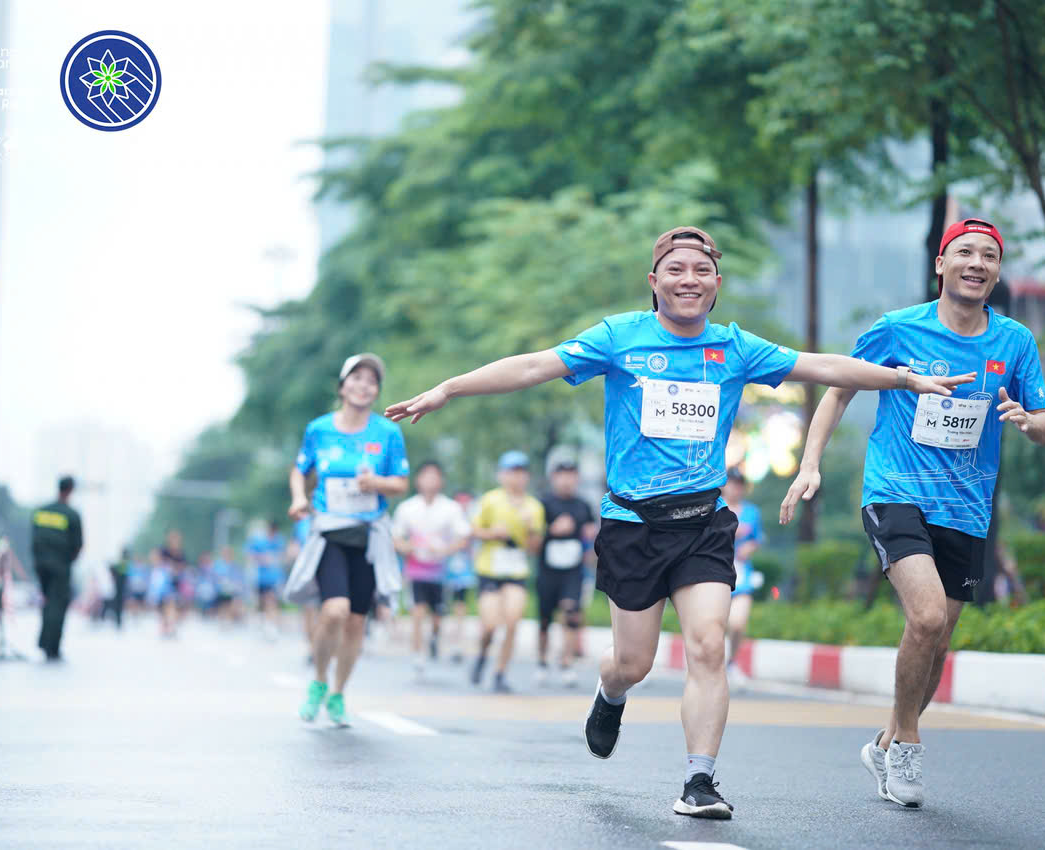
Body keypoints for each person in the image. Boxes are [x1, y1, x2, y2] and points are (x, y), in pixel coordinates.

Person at [386, 226, 972, 818]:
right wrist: (449, 389)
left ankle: (700, 780)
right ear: (654, 281)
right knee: (633, 662)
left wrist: (903, 378)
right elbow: (535, 365)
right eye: (676, 270)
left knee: (708, 644)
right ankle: (610, 689)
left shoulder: (735, 347)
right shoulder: (619, 337)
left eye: (700, 271)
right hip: (633, 525)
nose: (688, 280)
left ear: (716, 283)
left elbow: (820, 366)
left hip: (703, 524)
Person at [780, 218, 1045, 809]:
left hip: (967, 508)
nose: (977, 263)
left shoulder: (1015, 342)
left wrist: (1030, 423)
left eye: (989, 256)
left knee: (938, 641)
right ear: (940, 264)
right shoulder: (898, 328)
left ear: (997, 272)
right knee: (926, 618)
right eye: (965, 253)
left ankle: (883, 742)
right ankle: (907, 744)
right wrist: (810, 463)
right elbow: (839, 389)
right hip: (896, 492)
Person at [287, 353, 408, 727]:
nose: (363, 385)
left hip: (369, 535)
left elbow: (401, 483)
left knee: (356, 621)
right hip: (330, 532)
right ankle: (318, 680)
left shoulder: (388, 433)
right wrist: (298, 498)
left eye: (371, 381)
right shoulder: (319, 429)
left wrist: (377, 483)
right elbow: (299, 469)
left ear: (377, 391)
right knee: (334, 610)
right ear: (342, 386)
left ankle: (338, 693)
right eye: (356, 378)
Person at [469, 451, 544, 693]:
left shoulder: (534, 507)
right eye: (512, 472)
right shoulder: (490, 500)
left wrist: (530, 528)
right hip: (490, 570)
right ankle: (482, 653)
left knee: (512, 621)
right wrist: (493, 533)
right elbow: (473, 531)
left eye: (521, 472)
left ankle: (500, 672)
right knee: (490, 625)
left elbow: (535, 548)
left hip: (516, 572)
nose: (516, 477)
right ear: (501, 475)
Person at [392, 460, 471, 674]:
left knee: (437, 615)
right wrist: (407, 547)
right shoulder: (407, 508)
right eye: (426, 476)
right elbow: (396, 538)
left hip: (441, 571)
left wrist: (444, 550)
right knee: (417, 611)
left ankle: (435, 636)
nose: (430, 481)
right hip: (416, 569)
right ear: (418, 480)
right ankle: (418, 653)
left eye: (434, 476)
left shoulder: (451, 509)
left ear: (441, 481)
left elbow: (463, 538)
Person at [535, 459, 596, 688]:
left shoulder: (583, 506)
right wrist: (552, 530)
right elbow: (533, 538)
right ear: (554, 477)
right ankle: (542, 661)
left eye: (571, 475)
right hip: (547, 569)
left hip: (573, 570)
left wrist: (591, 541)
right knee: (545, 619)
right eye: (562, 475)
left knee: (571, 613)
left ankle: (566, 663)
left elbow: (590, 534)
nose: (567, 480)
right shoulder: (543, 504)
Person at [32, 476, 83, 661]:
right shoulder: (72, 515)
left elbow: (34, 538)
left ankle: (44, 641)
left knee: (47, 601)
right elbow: (78, 546)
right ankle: (51, 646)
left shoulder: (41, 511)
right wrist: (67, 562)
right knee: (58, 603)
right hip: (60, 566)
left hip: (41, 565)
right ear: (71, 490)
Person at [722, 469, 763, 693]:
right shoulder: (715, 508)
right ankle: (712, 664)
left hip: (741, 574)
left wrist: (750, 546)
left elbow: (757, 538)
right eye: (732, 483)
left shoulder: (751, 512)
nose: (735, 488)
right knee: (714, 624)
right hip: (714, 573)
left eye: (739, 484)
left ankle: (731, 662)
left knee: (738, 623)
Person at [442, 490, 478, 664]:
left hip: (464, 569)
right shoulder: (447, 519)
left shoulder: (473, 521)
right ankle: (440, 635)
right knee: (443, 603)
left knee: (460, 602)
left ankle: (456, 640)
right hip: (444, 567)